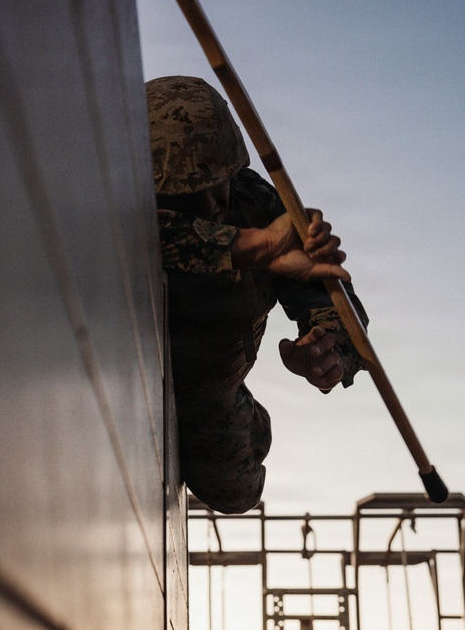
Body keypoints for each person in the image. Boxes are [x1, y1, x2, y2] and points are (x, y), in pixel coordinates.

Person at [148, 75, 369, 514]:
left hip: (211, 389)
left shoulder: (255, 199)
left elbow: (329, 299)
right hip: (148, 375)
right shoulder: (128, 203)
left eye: (222, 181)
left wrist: (331, 349)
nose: (214, 203)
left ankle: (244, 413)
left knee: (238, 493)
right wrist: (258, 248)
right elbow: (157, 238)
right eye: (194, 191)